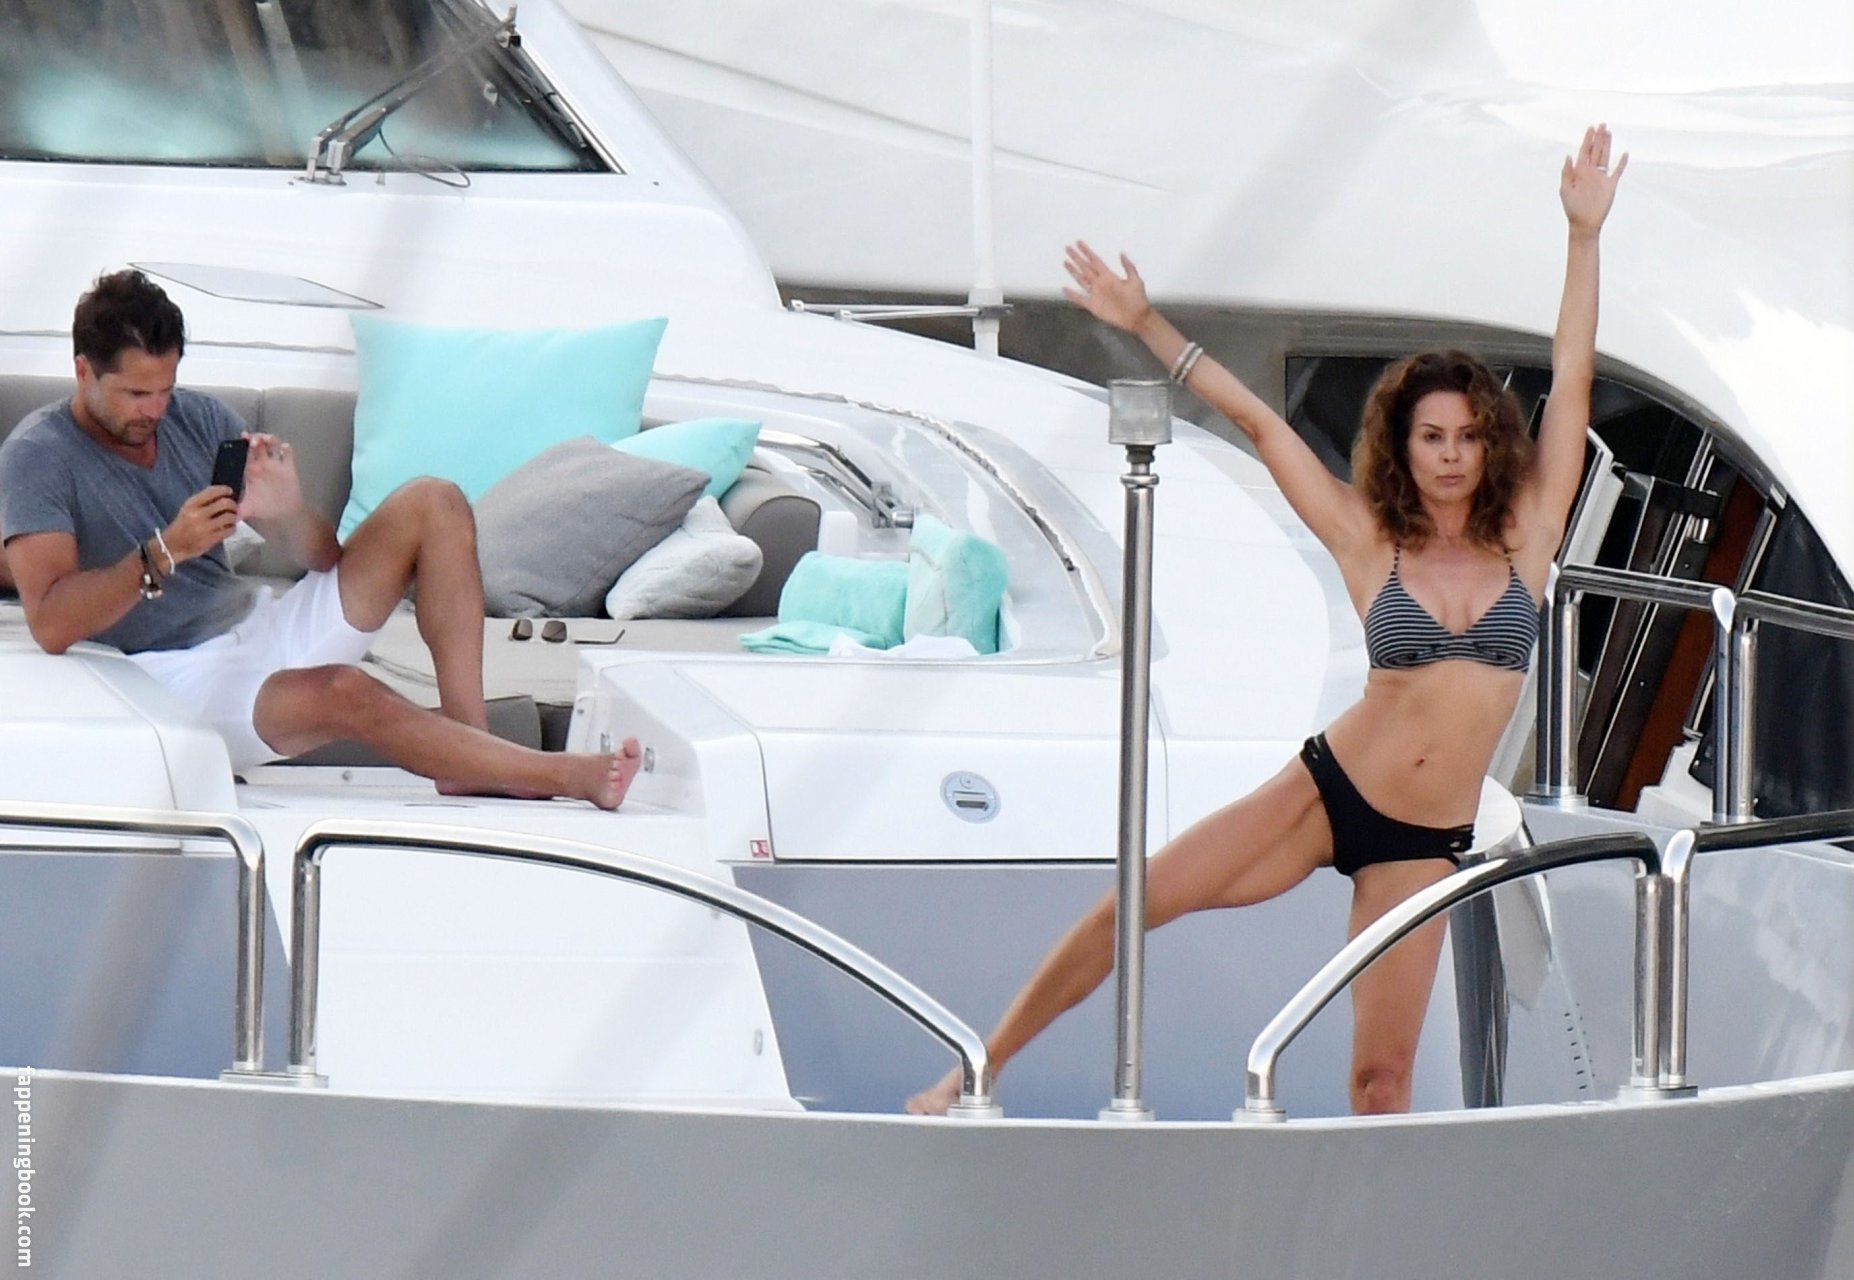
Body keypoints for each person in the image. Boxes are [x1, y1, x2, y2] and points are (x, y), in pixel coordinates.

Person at [910, 125, 1627, 1116]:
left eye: (1468, 436)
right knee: (1131, 906)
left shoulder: (1529, 537)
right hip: (1325, 792)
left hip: (1421, 840)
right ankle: (974, 1069)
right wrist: (1144, 321)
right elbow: (1259, 421)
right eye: (1431, 437)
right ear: (1405, 446)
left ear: (1491, 444)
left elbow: (1574, 377)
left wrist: (1583, 237)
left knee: (1381, 1081)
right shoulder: (1368, 536)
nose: (1451, 455)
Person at [0, 268, 642, 808]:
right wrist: (166, 551)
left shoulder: (197, 418)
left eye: (165, 389)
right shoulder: (39, 456)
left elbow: (323, 557)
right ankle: (560, 775)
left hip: (260, 624)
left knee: (435, 501)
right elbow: (52, 622)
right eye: (136, 393)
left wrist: (287, 510)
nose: (155, 409)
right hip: (167, 675)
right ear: (83, 371)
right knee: (343, 691)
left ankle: (472, 752)